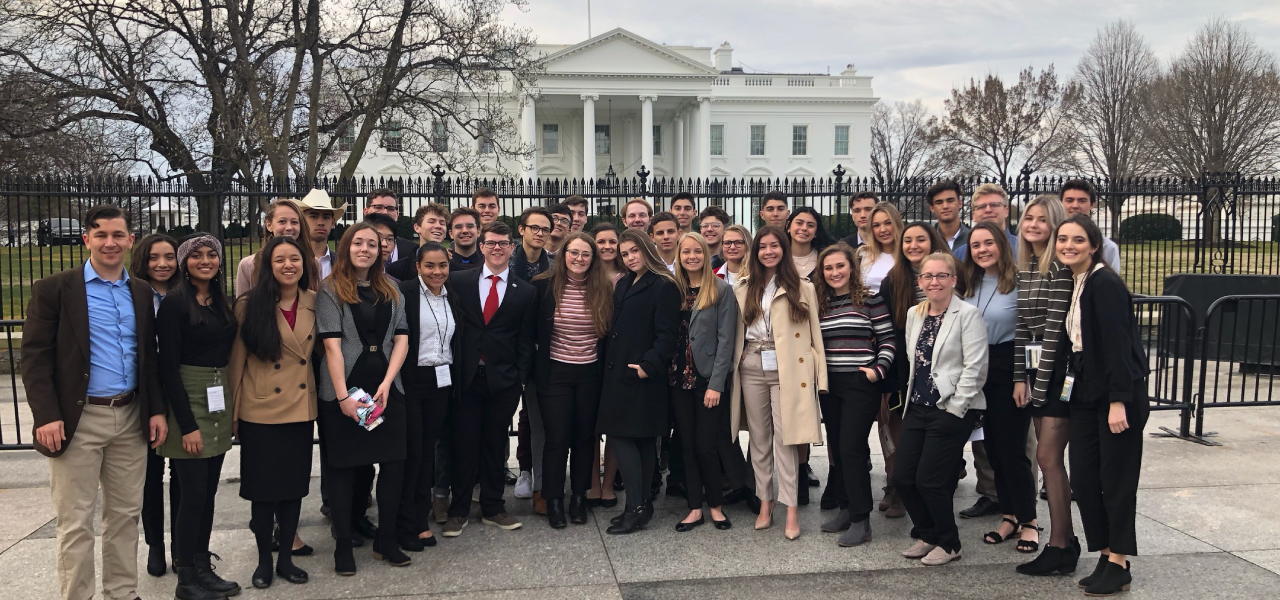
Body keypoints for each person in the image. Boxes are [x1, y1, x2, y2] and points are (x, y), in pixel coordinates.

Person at [22, 205, 167, 600]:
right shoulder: (55, 290)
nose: (109, 242)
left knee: (124, 516)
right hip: (77, 419)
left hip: (131, 416)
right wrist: (47, 416)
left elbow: (148, 359)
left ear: (130, 240)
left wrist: (155, 409)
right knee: (75, 521)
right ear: (86, 239)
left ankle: (122, 592)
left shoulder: (140, 290)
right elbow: (35, 358)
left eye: (118, 235)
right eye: (100, 234)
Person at [1057, 215, 1149, 596]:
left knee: (1116, 481)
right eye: (1063, 239)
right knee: (1083, 477)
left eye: (1078, 239)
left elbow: (1117, 347)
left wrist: (1118, 401)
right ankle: (1106, 550)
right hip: (1083, 392)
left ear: (1094, 245)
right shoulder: (1076, 281)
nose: (1069, 245)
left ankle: (1120, 561)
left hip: (1116, 395)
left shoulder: (1104, 283)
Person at [315, 222, 412, 574]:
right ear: (346, 247)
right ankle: (343, 543)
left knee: (392, 464)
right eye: (358, 243)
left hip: (387, 387)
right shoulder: (330, 290)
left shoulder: (392, 289)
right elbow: (332, 345)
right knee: (343, 468)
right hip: (347, 388)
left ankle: (386, 539)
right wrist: (342, 397)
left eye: (373, 244)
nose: (366, 249)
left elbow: (401, 338)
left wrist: (387, 383)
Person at [228, 236, 319, 589]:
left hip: (299, 407)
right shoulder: (249, 305)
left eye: (294, 259)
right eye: (279, 259)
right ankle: (264, 560)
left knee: (294, 488)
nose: (288, 266)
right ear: (268, 265)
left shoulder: (315, 300)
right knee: (263, 491)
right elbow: (236, 362)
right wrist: (234, 412)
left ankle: (285, 560)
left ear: (303, 263)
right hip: (259, 408)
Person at [156, 234, 241, 599]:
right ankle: (186, 577)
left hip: (217, 396)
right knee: (191, 494)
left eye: (211, 255)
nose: (205, 261)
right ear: (184, 262)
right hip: (188, 401)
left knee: (207, 493)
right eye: (196, 256)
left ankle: (203, 566)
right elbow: (167, 368)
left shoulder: (220, 301)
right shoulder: (176, 304)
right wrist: (186, 425)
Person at [729, 225, 827, 540]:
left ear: (783, 249)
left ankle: (791, 507)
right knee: (759, 440)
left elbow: (815, 336)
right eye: (763, 247)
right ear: (755, 251)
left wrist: (819, 376)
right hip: (753, 365)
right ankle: (765, 502)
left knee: (787, 440)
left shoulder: (803, 287)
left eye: (775, 246)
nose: (769, 251)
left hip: (789, 369)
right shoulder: (743, 287)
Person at [443, 221, 537, 536]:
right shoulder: (458, 281)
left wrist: (519, 376)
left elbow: (526, 339)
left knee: (496, 445)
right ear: (482, 246)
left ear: (513, 248)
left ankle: (494, 507)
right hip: (466, 378)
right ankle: (458, 510)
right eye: (491, 243)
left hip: (503, 381)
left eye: (503, 243)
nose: (497, 248)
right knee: (464, 444)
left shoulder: (525, 290)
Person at [895, 252, 988, 567]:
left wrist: (956, 409)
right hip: (917, 406)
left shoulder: (968, 314)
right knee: (903, 477)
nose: (934, 281)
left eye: (941, 275)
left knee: (930, 480)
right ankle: (927, 534)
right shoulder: (914, 314)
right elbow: (914, 363)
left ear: (953, 279)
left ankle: (949, 543)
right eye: (928, 276)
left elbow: (976, 368)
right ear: (920, 281)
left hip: (950, 408)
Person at [1012, 195, 1082, 578]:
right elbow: (1024, 326)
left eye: (1042, 219)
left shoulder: (1059, 268)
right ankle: (1063, 542)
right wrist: (1019, 377)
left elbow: (1054, 331)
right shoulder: (1026, 268)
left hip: (1057, 375)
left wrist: (1039, 387)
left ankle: (1060, 543)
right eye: (1028, 218)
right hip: (1036, 371)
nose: (1033, 225)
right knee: (1046, 458)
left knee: (1049, 458)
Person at [962, 223, 1040, 553]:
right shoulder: (968, 283)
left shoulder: (1019, 283)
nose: (982, 250)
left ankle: (1030, 522)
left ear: (1001, 246)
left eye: (988, 243)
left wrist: (1023, 378)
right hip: (978, 369)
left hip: (1010, 369)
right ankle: (1009, 515)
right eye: (976, 244)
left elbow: (1029, 334)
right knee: (992, 449)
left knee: (1013, 451)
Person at [597, 230, 680, 534]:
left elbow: (667, 334)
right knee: (640, 440)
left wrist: (648, 366)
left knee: (623, 436)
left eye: (635, 251)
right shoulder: (624, 283)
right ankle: (641, 504)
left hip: (640, 374)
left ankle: (635, 507)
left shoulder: (663, 286)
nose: (631, 257)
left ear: (648, 249)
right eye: (626, 253)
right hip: (618, 372)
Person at [812, 242, 895, 547]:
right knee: (837, 448)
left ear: (852, 268)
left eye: (840, 266)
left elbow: (887, 339)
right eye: (828, 267)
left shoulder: (870, 300)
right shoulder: (818, 303)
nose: (834, 272)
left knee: (852, 448)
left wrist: (877, 370)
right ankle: (847, 509)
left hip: (861, 383)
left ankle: (862, 520)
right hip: (829, 384)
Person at [532, 233, 613, 528]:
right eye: (573, 253)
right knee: (557, 438)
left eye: (585, 254)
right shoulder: (543, 286)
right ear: (563, 255)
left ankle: (579, 497)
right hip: (555, 373)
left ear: (593, 260)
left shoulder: (604, 288)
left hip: (591, 373)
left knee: (584, 439)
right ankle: (553, 499)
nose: (579, 258)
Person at [873, 221, 949, 519]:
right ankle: (897, 486)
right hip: (902, 369)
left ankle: (927, 485)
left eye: (921, 240)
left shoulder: (949, 276)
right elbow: (887, 329)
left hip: (941, 369)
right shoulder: (893, 281)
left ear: (933, 243)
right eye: (908, 241)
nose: (914, 245)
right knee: (895, 427)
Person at [669, 232, 740, 532]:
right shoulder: (671, 289)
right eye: (686, 252)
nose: (692, 257)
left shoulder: (721, 290)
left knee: (706, 445)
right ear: (679, 255)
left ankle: (716, 506)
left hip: (706, 378)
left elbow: (727, 340)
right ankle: (694, 508)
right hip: (676, 379)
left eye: (697, 251)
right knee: (686, 444)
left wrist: (716, 383)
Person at [395, 242, 457, 551]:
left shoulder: (451, 296)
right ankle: (407, 523)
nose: (437, 271)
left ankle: (419, 519)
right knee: (412, 454)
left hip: (441, 381)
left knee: (427, 455)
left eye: (442, 265)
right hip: (411, 380)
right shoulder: (404, 293)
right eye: (430, 266)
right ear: (418, 266)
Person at [131, 233, 181, 577]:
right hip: (146, 391)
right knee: (150, 476)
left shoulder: (186, 295)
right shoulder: (133, 295)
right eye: (154, 257)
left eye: (169, 257)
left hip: (181, 388)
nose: (162, 264)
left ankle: (182, 544)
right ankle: (155, 545)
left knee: (182, 474)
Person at [509, 206, 553, 510]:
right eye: (534, 227)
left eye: (544, 229)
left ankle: (541, 485)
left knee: (541, 424)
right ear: (521, 230)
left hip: (544, 356)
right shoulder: (506, 264)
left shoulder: (556, 267)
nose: (539, 233)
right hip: (508, 354)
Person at [586, 223, 625, 507]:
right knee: (589, 425)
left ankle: (609, 483)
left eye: (613, 241)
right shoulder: (586, 276)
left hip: (620, 356)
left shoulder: (629, 277)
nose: (608, 246)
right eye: (601, 241)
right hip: (589, 355)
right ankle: (593, 483)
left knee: (614, 423)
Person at [236, 199, 311, 296]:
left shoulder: (313, 264)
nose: (289, 227)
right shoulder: (248, 265)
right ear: (269, 225)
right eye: (282, 221)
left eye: (294, 222)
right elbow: (241, 307)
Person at [1060, 180, 1122, 273]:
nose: (1075, 205)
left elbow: (1111, 283)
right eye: (1069, 200)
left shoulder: (1108, 247)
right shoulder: (1049, 242)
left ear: (1092, 205)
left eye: (1082, 201)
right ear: (1061, 203)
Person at [954, 184, 1019, 261]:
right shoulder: (961, 254)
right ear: (973, 215)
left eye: (994, 205)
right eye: (982, 207)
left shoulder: (1022, 248)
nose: (988, 210)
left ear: (1006, 211)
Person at [387, 203, 450, 280]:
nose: (438, 226)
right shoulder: (395, 270)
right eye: (431, 221)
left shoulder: (457, 269)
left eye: (442, 223)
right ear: (417, 228)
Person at [298, 189, 348, 279]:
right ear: (302, 221)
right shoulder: (293, 260)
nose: (320, 222)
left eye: (326, 217)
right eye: (314, 216)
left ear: (333, 222)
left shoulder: (342, 264)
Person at [857, 202, 904, 294]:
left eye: (888, 223)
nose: (883, 230)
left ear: (896, 223)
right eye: (876, 225)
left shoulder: (907, 255)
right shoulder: (862, 255)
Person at [365, 187, 416, 261]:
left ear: (397, 214)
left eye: (390, 208)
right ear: (366, 212)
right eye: (378, 207)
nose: (385, 212)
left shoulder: (412, 250)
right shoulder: (353, 247)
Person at [787, 206, 835, 279]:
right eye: (799, 223)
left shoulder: (825, 259)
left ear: (816, 232)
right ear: (788, 226)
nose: (804, 228)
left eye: (810, 225)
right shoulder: (778, 259)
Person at [927, 180, 969, 253]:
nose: (945, 206)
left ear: (960, 203)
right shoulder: (928, 241)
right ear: (932, 208)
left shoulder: (973, 239)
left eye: (950, 200)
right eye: (939, 202)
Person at [365, 213, 403, 281]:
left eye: (389, 239)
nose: (384, 244)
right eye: (379, 237)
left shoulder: (394, 285)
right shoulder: (342, 281)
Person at [448, 206, 484, 271]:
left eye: (470, 226)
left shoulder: (488, 264)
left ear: (478, 231)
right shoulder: (444, 264)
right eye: (458, 227)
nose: (465, 231)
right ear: (451, 234)